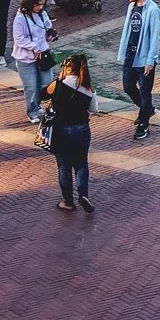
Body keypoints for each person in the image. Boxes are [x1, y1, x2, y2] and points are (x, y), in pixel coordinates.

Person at [43, 52, 98, 210]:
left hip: (61, 129)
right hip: (82, 129)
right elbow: (94, 109)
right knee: (81, 164)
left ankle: (68, 202)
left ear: (67, 69)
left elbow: (42, 95)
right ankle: (83, 195)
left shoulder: (59, 84)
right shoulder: (87, 86)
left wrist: (58, 80)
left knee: (64, 166)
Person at [117, 0, 160, 139]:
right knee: (128, 86)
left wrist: (151, 60)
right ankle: (147, 109)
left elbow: (155, 36)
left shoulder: (153, 9)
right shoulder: (131, 7)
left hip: (144, 58)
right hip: (131, 55)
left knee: (144, 92)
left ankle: (144, 124)